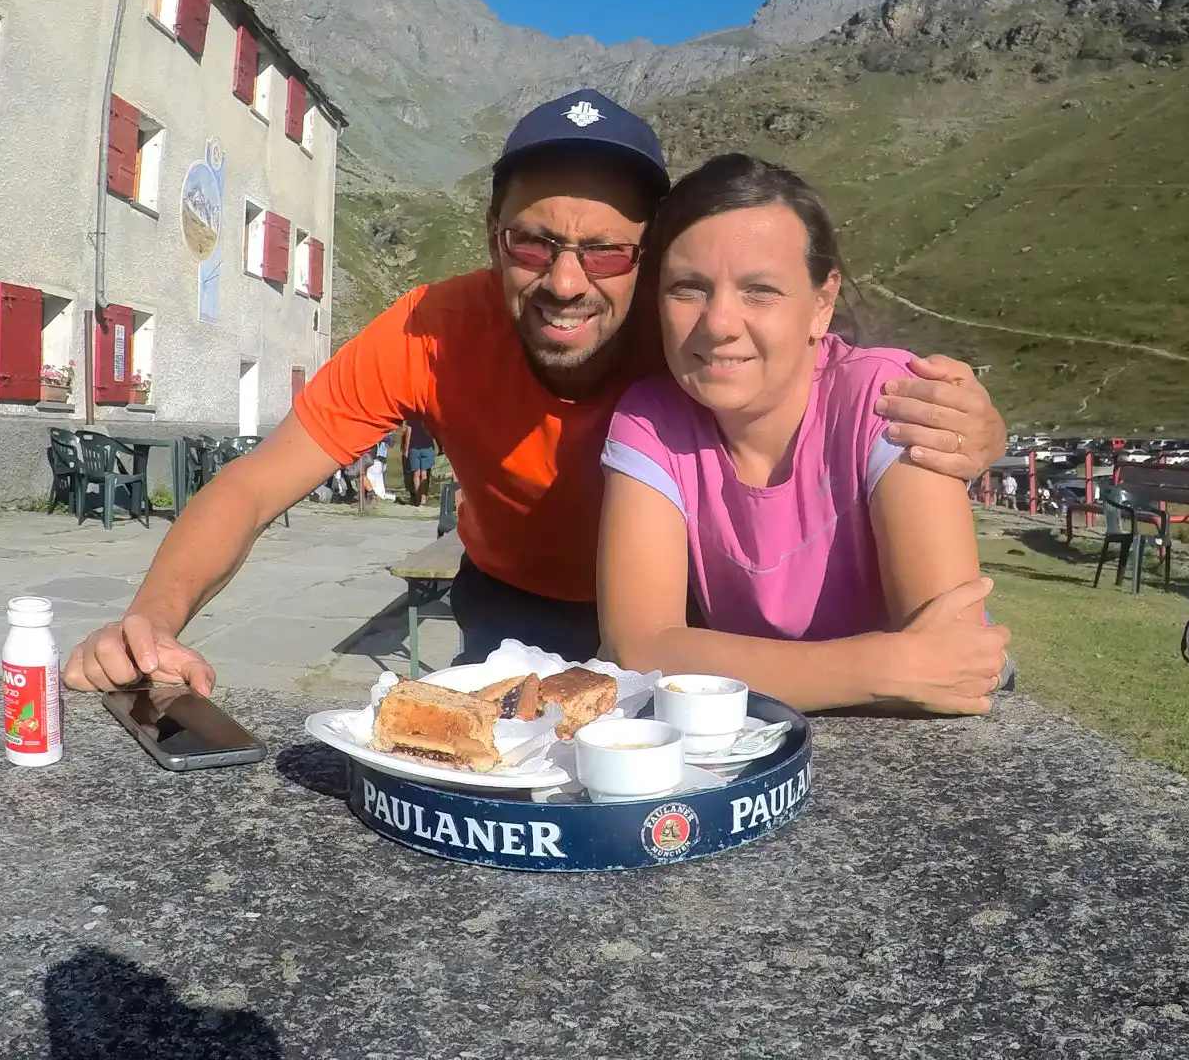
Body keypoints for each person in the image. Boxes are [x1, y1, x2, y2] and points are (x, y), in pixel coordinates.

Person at [63, 91, 1007, 696]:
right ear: (491, 238)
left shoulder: (687, 333)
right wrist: (153, 620)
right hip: (507, 597)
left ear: (649, 261)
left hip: (680, 614)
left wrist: (972, 425)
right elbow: (253, 485)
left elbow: (814, 368)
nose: (566, 281)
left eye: (606, 251)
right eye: (533, 243)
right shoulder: (429, 328)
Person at [596, 154, 1008, 713]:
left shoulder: (890, 400)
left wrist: (704, 663)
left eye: (760, 290)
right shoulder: (650, 421)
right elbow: (636, 648)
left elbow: (952, 662)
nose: (718, 323)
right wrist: (882, 666)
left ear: (822, 303)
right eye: (689, 288)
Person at [402, 416, 439, 508]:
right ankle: (421, 498)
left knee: (418, 474)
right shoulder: (429, 417)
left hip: (416, 447)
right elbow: (435, 432)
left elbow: (408, 432)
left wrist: (406, 448)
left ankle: (420, 498)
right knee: (421, 474)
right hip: (425, 447)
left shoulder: (412, 417)